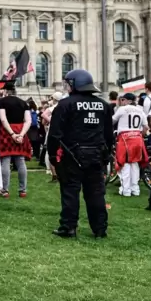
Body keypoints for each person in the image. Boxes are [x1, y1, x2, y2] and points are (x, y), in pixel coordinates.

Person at [47, 69, 112, 238]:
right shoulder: (103, 105)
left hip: (72, 155)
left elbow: (55, 134)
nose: (66, 87)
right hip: (96, 155)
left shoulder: (65, 105)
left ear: (74, 84)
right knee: (96, 193)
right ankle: (100, 228)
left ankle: (68, 227)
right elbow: (108, 135)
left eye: (67, 84)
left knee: (70, 192)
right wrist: (106, 155)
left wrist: (53, 156)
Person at [0, 83, 32, 198]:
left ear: (5, 91)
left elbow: (3, 118)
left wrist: (12, 133)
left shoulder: (3, 102)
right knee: (20, 161)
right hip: (20, 130)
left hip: (6, 131)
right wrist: (21, 134)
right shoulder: (23, 103)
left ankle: (5, 190)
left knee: (5, 160)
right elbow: (28, 121)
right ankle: (23, 190)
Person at [112, 93, 148, 197]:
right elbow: (145, 127)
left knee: (124, 163)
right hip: (137, 138)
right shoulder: (140, 110)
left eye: (123, 100)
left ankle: (126, 190)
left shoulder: (122, 109)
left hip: (125, 138)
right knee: (135, 164)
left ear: (127, 100)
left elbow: (112, 120)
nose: (122, 102)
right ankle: (135, 189)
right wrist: (140, 134)